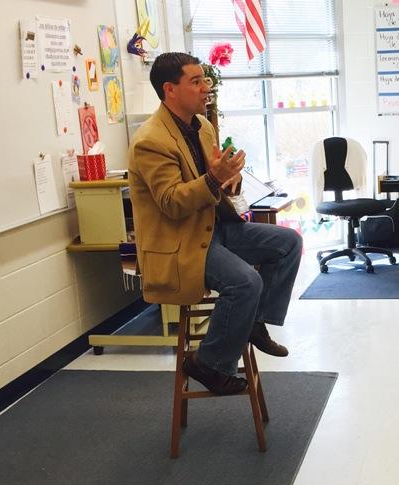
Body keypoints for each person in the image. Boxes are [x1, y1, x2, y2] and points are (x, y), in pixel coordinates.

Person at [128, 52, 302, 395]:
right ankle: (207, 363)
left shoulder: (203, 126)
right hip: (182, 241)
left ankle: (253, 322)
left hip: (213, 228)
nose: (206, 88)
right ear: (170, 90)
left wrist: (230, 179)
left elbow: (216, 184)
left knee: (288, 243)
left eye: (205, 80)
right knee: (246, 282)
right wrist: (214, 179)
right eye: (196, 81)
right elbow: (172, 203)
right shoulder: (150, 141)